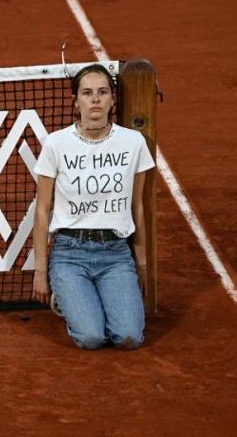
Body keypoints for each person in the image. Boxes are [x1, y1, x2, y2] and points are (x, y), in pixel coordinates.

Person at [32, 63, 155, 350]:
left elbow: (137, 206)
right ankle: (68, 295)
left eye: (102, 92)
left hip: (116, 255)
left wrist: (142, 265)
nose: (95, 99)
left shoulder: (133, 143)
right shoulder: (56, 144)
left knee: (129, 338)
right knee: (91, 338)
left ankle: (92, 298)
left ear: (113, 98)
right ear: (76, 102)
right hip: (69, 254)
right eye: (87, 93)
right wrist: (40, 272)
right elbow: (42, 210)